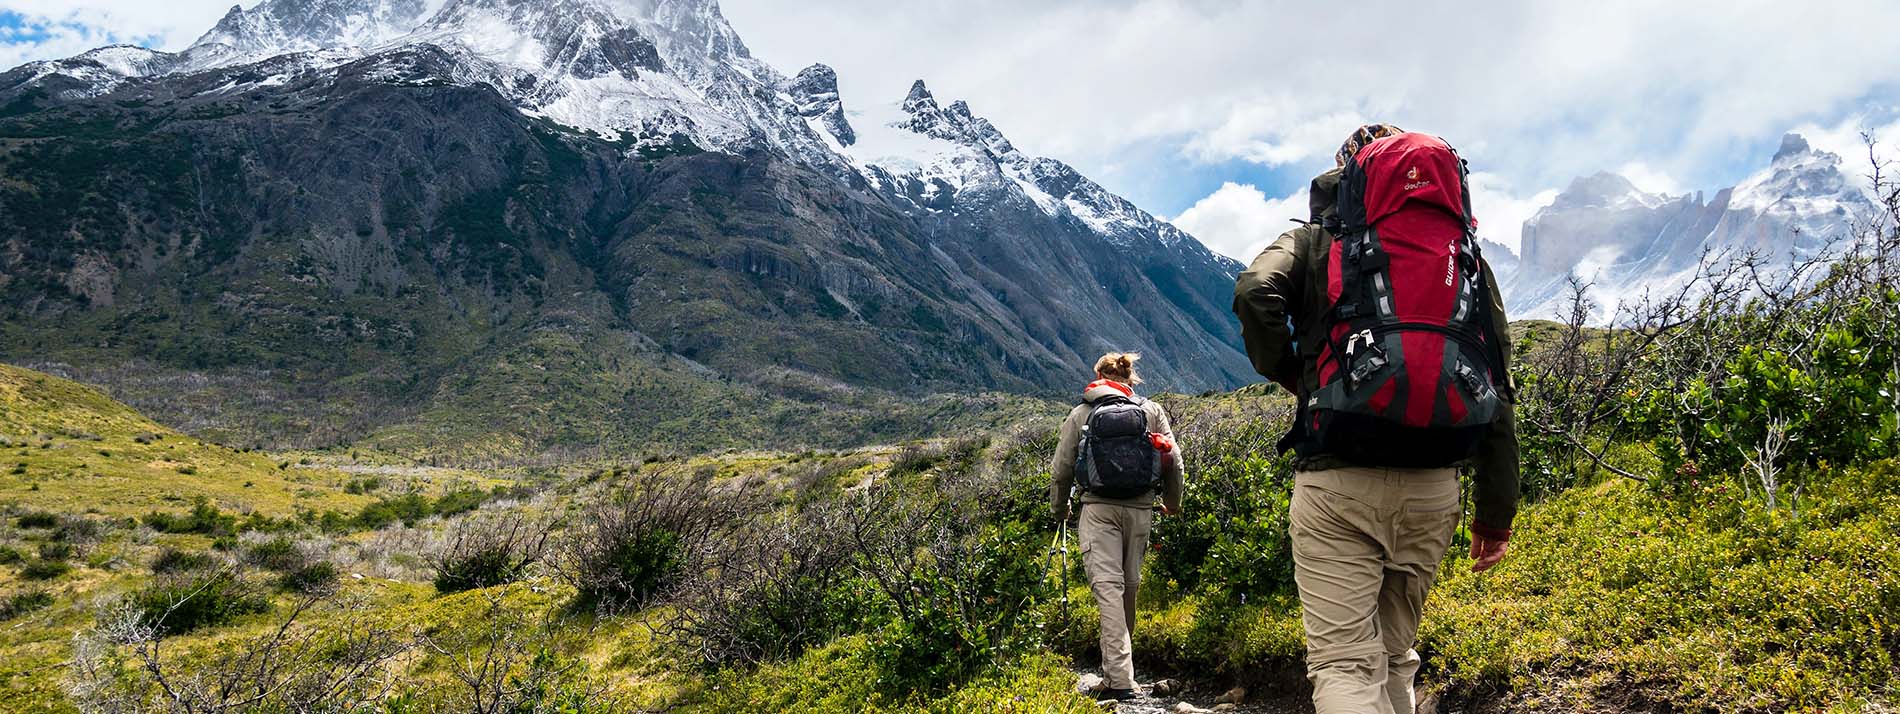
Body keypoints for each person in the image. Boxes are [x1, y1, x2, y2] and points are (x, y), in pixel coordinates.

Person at [1232, 124, 1519, 714]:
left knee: (1343, 663)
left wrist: (1294, 374)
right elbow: (1496, 380)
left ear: (1350, 176)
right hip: (1434, 489)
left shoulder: (1318, 241)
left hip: (1339, 479)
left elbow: (1256, 292)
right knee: (1395, 655)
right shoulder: (1463, 255)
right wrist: (1495, 513)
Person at [1050, 352, 1184, 702]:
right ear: (1130, 378)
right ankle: (1119, 673)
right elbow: (1174, 460)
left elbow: (1061, 469)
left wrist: (1060, 508)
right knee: (1129, 588)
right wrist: (1172, 502)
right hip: (1140, 510)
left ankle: (1120, 679)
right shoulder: (1150, 411)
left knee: (1108, 589)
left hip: (1098, 510)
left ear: (1098, 376)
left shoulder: (1082, 413)